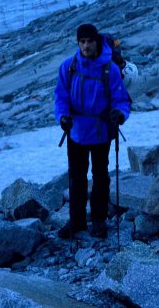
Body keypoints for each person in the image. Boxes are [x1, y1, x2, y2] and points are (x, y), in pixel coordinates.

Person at [54, 22, 131, 239]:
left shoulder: (110, 69)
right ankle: (77, 222)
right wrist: (63, 116)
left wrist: (120, 114)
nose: (86, 46)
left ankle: (98, 220)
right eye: (82, 42)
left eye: (89, 41)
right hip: (76, 130)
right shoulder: (69, 67)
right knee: (76, 178)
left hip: (101, 131)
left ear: (96, 41)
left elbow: (121, 99)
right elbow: (60, 96)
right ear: (78, 43)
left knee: (100, 177)